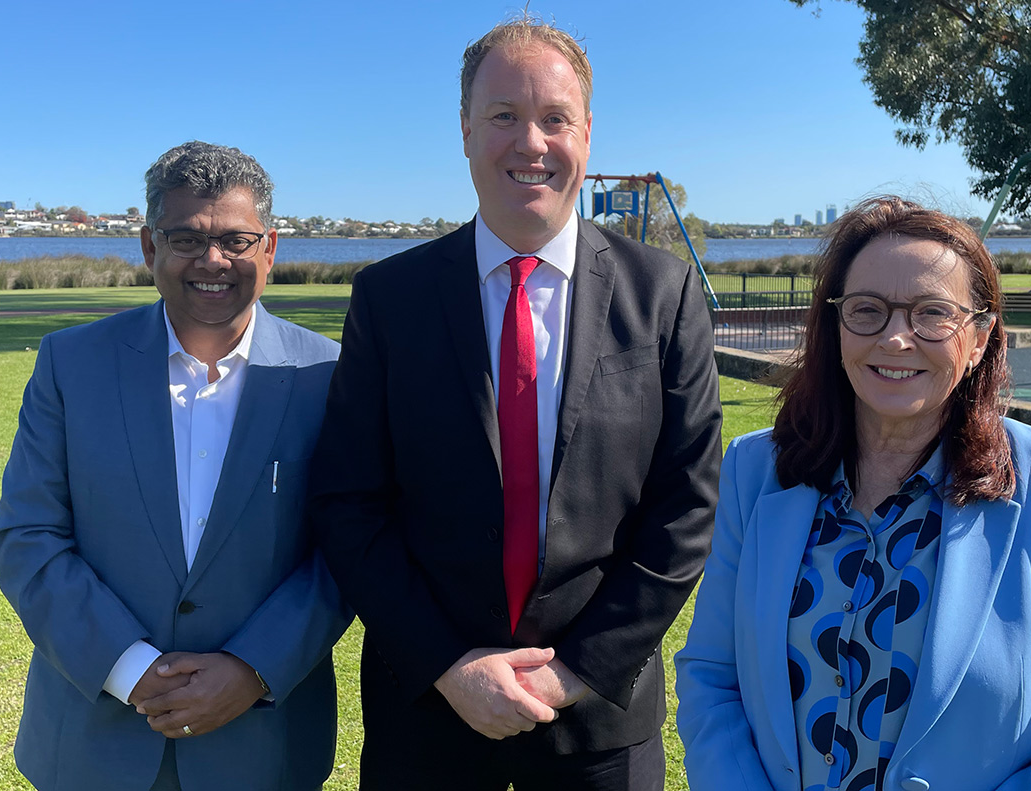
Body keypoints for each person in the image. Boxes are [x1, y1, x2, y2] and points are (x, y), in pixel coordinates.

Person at [305, 15, 722, 791]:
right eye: (503, 116)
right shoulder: (389, 298)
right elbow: (348, 502)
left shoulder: (662, 295)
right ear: (465, 131)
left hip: (599, 725)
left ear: (587, 134)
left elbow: (687, 506)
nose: (530, 142)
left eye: (554, 118)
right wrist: (449, 665)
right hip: (426, 720)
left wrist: (576, 671)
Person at [675, 196, 1031, 791]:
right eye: (867, 310)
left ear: (978, 339)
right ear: (835, 326)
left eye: (931, 313)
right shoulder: (755, 471)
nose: (896, 339)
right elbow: (712, 678)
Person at [0, 141, 351, 791]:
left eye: (237, 240)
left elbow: (348, 548)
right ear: (149, 247)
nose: (213, 260)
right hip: (93, 747)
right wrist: (130, 669)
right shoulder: (71, 366)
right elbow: (28, 536)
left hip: (265, 746)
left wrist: (252, 667)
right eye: (186, 238)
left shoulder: (329, 376)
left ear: (270, 249)